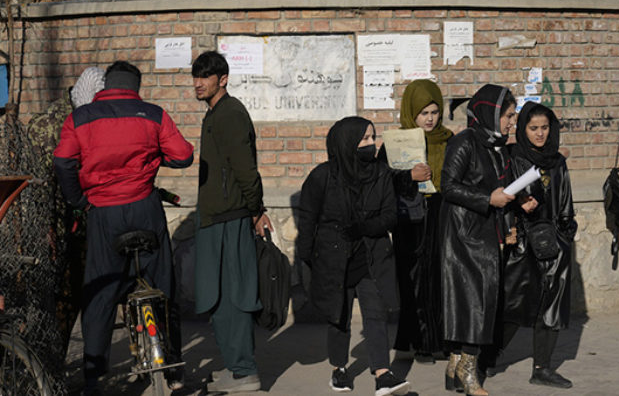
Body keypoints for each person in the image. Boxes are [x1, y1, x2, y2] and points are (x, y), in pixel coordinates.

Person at [53, 61, 193, 394]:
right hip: (146, 208)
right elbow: (184, 156)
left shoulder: (80, 118)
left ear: (105, 86)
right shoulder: (153, 114)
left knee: (100, 294)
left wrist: (79, 201)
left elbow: (62, 162)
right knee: (164, 287)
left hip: (103, 213)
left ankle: (93, 377)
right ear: (135, 86)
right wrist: (156, 157)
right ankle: (173, 369)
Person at [297, 116, 410, 396]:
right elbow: (308, 219)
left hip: (370, 255)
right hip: (334, 258)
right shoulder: (322, 177)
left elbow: (389, 216)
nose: (372, 144)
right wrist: (309, 257)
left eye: (373, 137)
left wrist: (364, 227)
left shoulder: (381, 173)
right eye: (365, 139)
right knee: (339, 315)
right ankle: (339, 369)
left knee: (375, 313)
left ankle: (383, 374)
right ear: (348, 142)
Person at [191, 50, 272, 394]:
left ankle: (244, 371)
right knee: (218, 298)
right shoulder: (214, 113)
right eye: (195, 77)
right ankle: (236, 368)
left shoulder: (230, 114)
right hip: (215, 217)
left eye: (205, 77)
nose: (198, 83)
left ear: (222, 79)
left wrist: (256, 211)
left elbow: (245, 171)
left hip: (231, 217)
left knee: (234, 297)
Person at [440, 84, 517, 396]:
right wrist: (488, 198)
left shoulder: (495, 144)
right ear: (492, 112)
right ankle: (468, 375)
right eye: (509, 116)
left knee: (474, 301)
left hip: (485, 232)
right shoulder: (465, 142)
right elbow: (448, 185)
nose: (512, 122)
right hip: (464, 235)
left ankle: (454, 368)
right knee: (474, 303)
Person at [496, 102, 578, 388]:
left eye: (545, 128)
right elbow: (502, 198)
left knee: (551, 308)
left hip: (554, 245)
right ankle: (484, 361)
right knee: (513, 305)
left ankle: (542, 367)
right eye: (533, 128)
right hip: (522, 243)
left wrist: (565, 238)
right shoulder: (513, 157)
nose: (540, 134)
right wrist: (518, 211)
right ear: (523, 129)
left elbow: (566, 204)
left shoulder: (557, 161)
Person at [27, 66, 105, 358]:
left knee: (95, 298)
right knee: (62, 302)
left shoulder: (96, 117)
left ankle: (92, 368)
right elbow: (39, 187)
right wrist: (46, 230)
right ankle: (52, 367)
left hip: (90, 223)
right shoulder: (46, 125)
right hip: (58, 230)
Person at [386, 79, 453, 364]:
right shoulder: (394, 144)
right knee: (410, 280)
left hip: (440, 216)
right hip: (408, 220)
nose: (429, 118)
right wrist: (407, 177)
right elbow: (381, 182)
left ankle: (438, 341)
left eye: (434, 112)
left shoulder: (449, 141)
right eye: (423, 112)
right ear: (411, 112)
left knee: (439, 279)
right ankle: (411, 341)